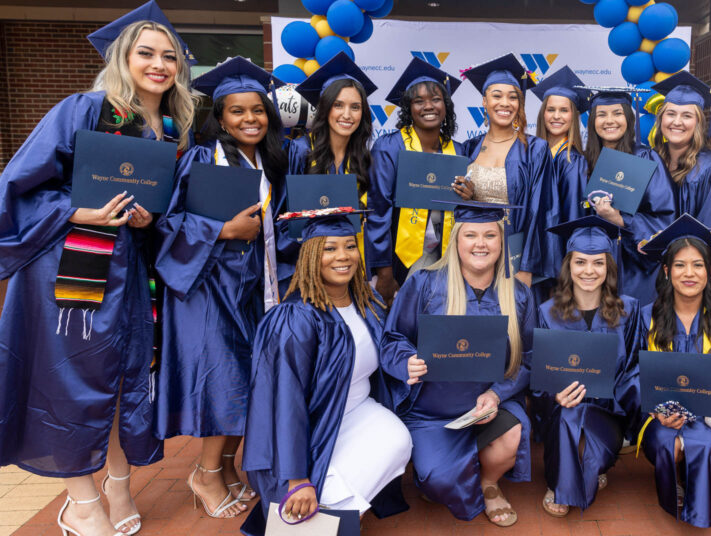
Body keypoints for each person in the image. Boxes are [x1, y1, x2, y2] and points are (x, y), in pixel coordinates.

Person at [0, 2, 195, 535]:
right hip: (72, 268)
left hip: (132, 270)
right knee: (73, 379)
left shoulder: (175, 128)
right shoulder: (83, 109)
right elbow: (19, 185)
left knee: (122, 376)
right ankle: (81, 500)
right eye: (146, 53)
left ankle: (116, 483)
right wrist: (76, 211)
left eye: (169, 56)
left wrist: (148, 219)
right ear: (123, 58)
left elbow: (173, 206)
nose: (159, 65)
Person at [154, 56, 288, 518]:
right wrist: (223, 231)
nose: (249, 119)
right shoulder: (201, 157)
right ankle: (205, 474)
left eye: (257, 110)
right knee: (226, 382)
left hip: (253, 289)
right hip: (209, 290)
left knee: (249, 381)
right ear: (221, 117)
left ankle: (227, 467)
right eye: (237, 111)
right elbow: (169, 223)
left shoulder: (266, 161)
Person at [239, 208, 411, 535]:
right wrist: (297, 478)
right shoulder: (296, 319)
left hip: (357, 413)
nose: (342, 256)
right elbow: (285, 403)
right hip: (309, 431)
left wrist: (406, 361)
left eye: (349, 246)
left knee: (399, 439)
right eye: (329, 248)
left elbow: (387, 341)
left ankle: (332, 520)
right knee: (314, 496)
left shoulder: (367, 300)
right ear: (310, 256)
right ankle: (322, 520)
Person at [379, 200, 536, 527]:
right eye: (471, 235)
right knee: (438, 481)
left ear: (502, 242)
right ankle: (451, 468)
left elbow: (529, 359)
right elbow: (394, 337)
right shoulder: (424, 283)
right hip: (432, 409)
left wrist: (496, 394)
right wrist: (406, 362)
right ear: (456, 240)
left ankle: (488, 481)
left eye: (490, 235)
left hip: (489, 405)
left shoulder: (518, 294)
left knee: (512, 434)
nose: (481, 243)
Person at [633, 215, 711, 527]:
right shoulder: (646, 317)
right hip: (662, 415)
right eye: (680, 265)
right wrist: (656, 410)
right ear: (666, 271)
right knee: (667, 443)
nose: (689, 273)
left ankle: (697, 510)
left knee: (706, 443)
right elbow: (631, 372)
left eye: (698, 265)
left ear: (710, 271)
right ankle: (678, 486)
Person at [534, 216, 641, 516]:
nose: (589, 271)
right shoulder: (547, 313)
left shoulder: (628, 311)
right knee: (570, 413)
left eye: (598, 263)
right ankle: (560, 482)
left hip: (608, 415)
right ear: (568, 266)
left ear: (609, 268)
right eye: (580, 262)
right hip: (562, 415)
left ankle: (588, 462)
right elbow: (537, 373)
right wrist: (553, 396)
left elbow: (633, 369)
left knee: (586, 426)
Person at [365, 58, 463, 301]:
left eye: (436, 99)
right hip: (399, 261)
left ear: (446, 105)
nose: (428, 106)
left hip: (445, 259)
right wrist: (384, 271)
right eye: (419, 101)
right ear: (409, 108)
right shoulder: (390, 147)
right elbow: (378, 210)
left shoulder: (458, 152)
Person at [282, 51, 378, 288]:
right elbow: (282, 214)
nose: (347, 115)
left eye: (355, 107)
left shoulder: (364, 159)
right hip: (307, 267)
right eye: (338, 105)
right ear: (325, 109)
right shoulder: (300, 151)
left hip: (350, 267)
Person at [460, 54, 558, 288]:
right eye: (497, 96)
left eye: (513, 97)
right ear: (484, 102)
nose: (505, 103)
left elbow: (542, 211)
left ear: (520, 103)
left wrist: (526, 266)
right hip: (475, 255)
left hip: (515, 256)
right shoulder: (468, 148)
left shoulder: (535, 150)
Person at [580, 87, 674, 306]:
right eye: (602, 114)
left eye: (617, 113)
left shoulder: (646, 159)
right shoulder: (581, 164)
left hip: (634, 269)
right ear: (592, 121)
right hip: (589, 267)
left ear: (629, 119)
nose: (609, 120)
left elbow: (664, 220)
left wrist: (619, 219)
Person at [647, 71, 711, 239]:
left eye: (687, 116)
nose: (677, 122)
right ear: (661, 119)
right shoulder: (649, 159)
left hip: (690, 261)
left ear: (698, 123)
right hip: (648, 261)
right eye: (671, 114)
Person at [530, 66, 591, 262]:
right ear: (543, 114)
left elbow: (573, 218)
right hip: (529, 248)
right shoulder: (532, 153)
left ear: (573, 116)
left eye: (564, 110)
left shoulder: (574, 162)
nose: (556, 116)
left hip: (554, 255)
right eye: (551, 110)